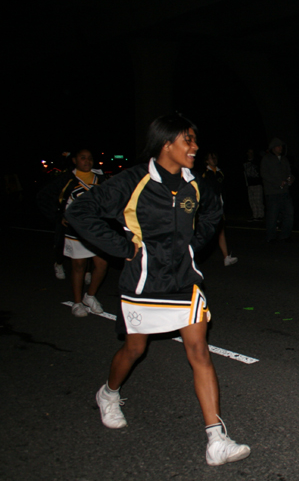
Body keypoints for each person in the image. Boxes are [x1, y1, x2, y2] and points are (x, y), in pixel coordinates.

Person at [65, 114, 250, 466]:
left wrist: (193, 246)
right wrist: (123, 248)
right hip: (144, 281)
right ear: (167, 144)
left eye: (195, 140)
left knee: (199, 350)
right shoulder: (133, 180)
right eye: (188, 140)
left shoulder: (196, 184)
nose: (195, 147)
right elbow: (81, 211)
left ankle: (216, 438)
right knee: (134, 350)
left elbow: (214, 213)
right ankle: (109, 393)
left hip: (185, 279)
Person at [37, 149, 108, 317]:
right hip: (74, 229)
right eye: (83, 158)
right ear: (75, 160)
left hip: (96, 228)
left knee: (102, 264)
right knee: (79, 266)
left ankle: (90, 296)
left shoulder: (100, 178)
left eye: (90, 158)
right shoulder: (66, 178)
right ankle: (77, 303)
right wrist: (58, 216)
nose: (87, 161)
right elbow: (43, 197)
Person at [201, 152, 238, 266]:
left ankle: (226, 257)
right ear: (206, 161)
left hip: (219, 206)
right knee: (207, 233)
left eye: (215, 157)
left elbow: (223, 190)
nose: (214, 159)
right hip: (210, 207)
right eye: (211, 158)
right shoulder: (205, 174)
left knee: (220, 231)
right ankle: (195, 256)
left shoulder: (220, 172)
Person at [260, 137, 294, 243]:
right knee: (272, 216)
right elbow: (264, 174)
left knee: (289, 213)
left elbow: (289, 172)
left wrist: (291, 179)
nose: (281, 148)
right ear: (273, 148)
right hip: (272, 192)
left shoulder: (284, 159)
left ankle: (285, 235)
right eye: (278, 146)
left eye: (281, 146)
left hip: (284, 192)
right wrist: (278, 182)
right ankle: (271, 236)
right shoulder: (267, 159)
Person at [243, 148, 264, 222]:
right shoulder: (245, 162)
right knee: (252, 201)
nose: (250, 154)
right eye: (249, 152)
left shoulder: (257, 161)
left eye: (252, 152)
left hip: (257, 183)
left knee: (258, 200)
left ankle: (260, 215)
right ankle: (255, 215)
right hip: (249, 184)